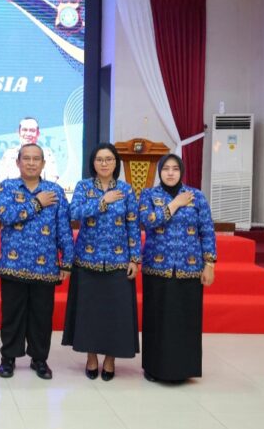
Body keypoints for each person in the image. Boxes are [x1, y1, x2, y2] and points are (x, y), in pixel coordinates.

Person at [62, 143, 140, 381]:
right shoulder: (84, 186)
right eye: (99, 159)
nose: (104, 163)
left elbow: (133, 225)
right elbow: (73, 214)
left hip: (118, 261)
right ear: (93, 163)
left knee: (114, 314)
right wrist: (102, 202)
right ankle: (91, 356)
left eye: (109, 159)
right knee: (90, 313)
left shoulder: (126, 190)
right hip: (87, 259)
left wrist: (134, 258)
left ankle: (110, 359)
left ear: (116, 163)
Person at [0, 143, 73, 379]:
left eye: (35, 159)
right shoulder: (7, 188)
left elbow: (64, 229)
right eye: (26, 158)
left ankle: (39, 360)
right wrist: (37, 202)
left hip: (45, 266)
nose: (31, 163)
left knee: (41, 316)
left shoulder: (56, 191)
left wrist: (67, 262)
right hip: (13, 265)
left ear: (43, 163)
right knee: (12, 314)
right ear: (17, 162)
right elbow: (7, 216)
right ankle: (8, 358)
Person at [139, 154, 216, 382]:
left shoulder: (196, 197)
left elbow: (207, 231)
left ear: (181, 171)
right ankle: (153, 368)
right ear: (160, 171)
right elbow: (148, 221)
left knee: (185, 319)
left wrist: (209, 263)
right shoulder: (149, 195)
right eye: (166, 169)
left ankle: (184, 369)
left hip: (189, 268)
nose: (170, 173)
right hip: (157, 268)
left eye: (175, 169)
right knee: (157, 320)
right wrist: (174, 205)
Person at [0, 117, 59, 184]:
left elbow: (51, 183)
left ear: (38, 133)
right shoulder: (9, 154)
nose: (28, 134)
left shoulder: (47, 155)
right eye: (25, 130)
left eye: (32, 130)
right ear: (18, 132)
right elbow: (2, 182)